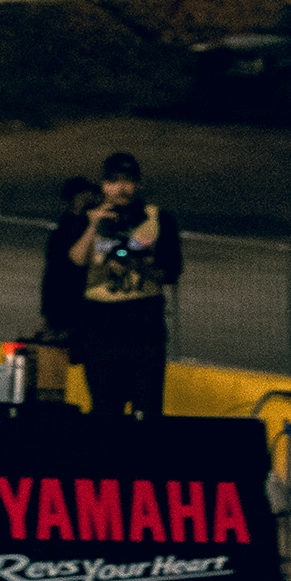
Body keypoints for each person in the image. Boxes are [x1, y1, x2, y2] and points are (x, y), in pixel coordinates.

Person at [67, 151, 183, 419]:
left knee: (147, 413)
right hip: (101, 331)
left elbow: (172, 271)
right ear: (103, 184)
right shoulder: (90, 218)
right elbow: (75, 259)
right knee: (106, 412)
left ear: (137, 184)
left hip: (143, 331)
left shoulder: (158, 219)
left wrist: (137, 263)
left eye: (128, 180)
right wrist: (93, 224)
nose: (121, 187)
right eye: (114, 181)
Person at [40, 175, 97, 341]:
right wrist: (46, 313)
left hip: (77, 298)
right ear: (78, 196)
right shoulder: (68, 226)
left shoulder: (78, 223)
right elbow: (52, 272)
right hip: (67, 298)